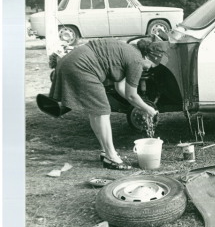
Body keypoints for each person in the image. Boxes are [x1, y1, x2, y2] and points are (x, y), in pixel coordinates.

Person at [49, 38, 166, 170]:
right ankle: (112, 158)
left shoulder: (131, 51)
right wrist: (149, 109)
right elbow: (132, 95)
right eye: (151, 65)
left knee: (96, 111)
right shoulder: (137, 61)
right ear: (148, 57)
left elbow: (121, 89)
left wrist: (140, 105)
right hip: (81, 66)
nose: (148, 68)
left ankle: (106, 152)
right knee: (103, 111)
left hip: (72, 60)